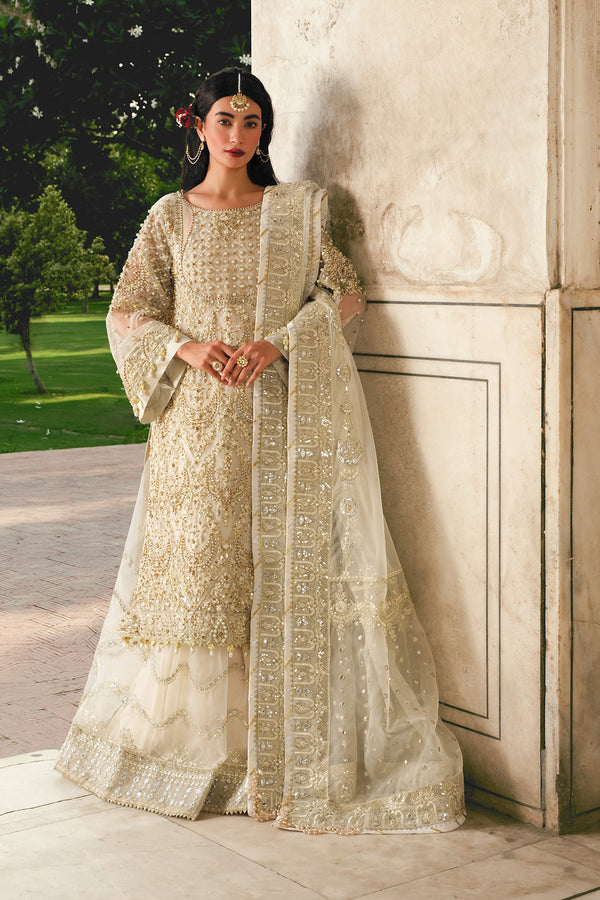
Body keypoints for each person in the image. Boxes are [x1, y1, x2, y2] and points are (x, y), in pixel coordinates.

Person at [55, 67, 465, 834]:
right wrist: (186, 347)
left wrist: (279, 343)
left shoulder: (298, 211)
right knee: (204, 578)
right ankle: (203, 756)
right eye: (225, 120)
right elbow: (129, 311)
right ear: (198, 126)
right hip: (195, 431)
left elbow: (344, 295)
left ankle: (272, 757)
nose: (238, 135)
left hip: (281, 421)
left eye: (252, 122)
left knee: (272, 576)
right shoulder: (169, 217)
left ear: (264, 131)